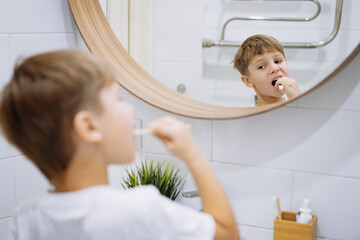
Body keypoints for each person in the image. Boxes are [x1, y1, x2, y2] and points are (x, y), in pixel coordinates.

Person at [0, 50, 239, 240]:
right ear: (89, 127)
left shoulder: (26, 219)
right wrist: (192, 155)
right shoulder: (139, 210)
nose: (130, 108)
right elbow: (227, 234)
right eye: (118, 99)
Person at [233, 34, 301, 106]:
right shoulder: (248, 115)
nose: (274, 68)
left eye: (277, 61)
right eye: (261, 66)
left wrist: (298, 100)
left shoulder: (296, 103)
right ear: (248, 81)